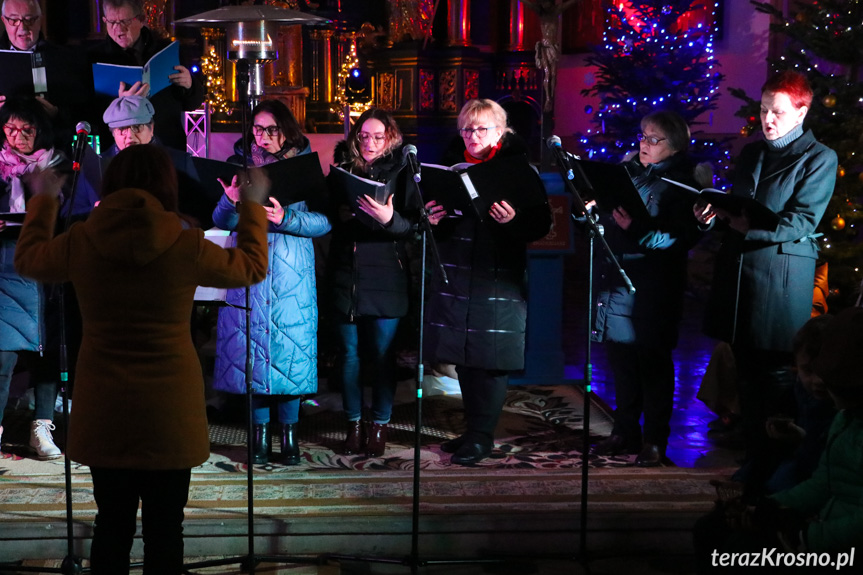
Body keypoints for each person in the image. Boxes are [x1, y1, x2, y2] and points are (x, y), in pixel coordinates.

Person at [13, 144, 270, 574]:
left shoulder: (82, 240)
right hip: (170, 406)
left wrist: (43, 199)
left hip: (104, 401)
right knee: (166, 529)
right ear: (165, 186)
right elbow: (251, 267)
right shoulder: (185, 242)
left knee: (110, 525)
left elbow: (27, 259)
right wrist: (252, 205)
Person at [696, 70, 837, 472]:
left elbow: (803, 221)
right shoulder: (753, 153)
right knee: (745, 374)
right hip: (740, 278)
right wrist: (712, 216)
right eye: (762, 110)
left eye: (777, 112)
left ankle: (771, 468)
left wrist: (749, 227)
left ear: (801, 112)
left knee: (774, 379)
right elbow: (737, 210)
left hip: (777, 283)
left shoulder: (819, 158)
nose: (767, 119)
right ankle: (753, 459)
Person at [423, 98, 552, 465]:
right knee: (464, 355)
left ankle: (482, 436)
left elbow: (540, 224)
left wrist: (512, 221)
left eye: (481, 128)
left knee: (490, 357)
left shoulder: (516, 169)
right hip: (457, 269)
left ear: (500, 130)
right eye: (466, 128)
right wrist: (433, 217)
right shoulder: (451, 165)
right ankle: (472, 428)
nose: (472, 135)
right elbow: (440, 213)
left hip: (497, 276)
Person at [693, 308, 863, 572]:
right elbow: (824, 481)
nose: (823, 385)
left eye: (834, 381)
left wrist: (805, 537)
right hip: (824, 528)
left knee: (738, 553)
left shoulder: (843, 414)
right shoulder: (846, 417)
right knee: (716, 534)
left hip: (837, 544)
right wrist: (768, 508)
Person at [211, 99, 331, 466]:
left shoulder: (305, 168)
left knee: (290, 353)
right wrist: (230, 202)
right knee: (254, 356)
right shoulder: (240, 168)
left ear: (287, 131)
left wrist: (285, 218)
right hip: (249, 268)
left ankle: (290, 437)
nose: (263, 137)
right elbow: (221, 220)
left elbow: (323, 222)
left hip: (291, 273)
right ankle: (260, 436)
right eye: (258, 130)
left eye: (271, 130)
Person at [589, 110, 704, 466]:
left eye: (655, 139)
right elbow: (609, 219)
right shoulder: (628, 173)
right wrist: (590, 213)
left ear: (675, 146)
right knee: (621, 362)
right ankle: (624, 431)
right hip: (618, 283)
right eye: (642, 136)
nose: (645, 144)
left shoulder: (685, 185)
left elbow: (676, 238)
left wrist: (635, 228)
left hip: (655, 287)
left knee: (653, 365)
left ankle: (655, 439)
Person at [327, 107, 415, 457]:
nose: (370, 142)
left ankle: (379, 424)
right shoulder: (342, 169)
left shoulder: (404, 171)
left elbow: (413, 227)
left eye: (378, 136)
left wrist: (389, 217)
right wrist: (341, 213)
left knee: (381, 356)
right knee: (348, 356)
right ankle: (354, 424)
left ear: (390, 137)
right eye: (364, 135)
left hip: (385, 274)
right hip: (346, 272)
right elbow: (326, 213)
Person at [0, 97, 69, 459]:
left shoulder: (57, 164)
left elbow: (72, 214)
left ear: (40, 130)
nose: (17, 137)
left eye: (26, 129)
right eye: (10, 129)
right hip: (6, 263)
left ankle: (41, 429)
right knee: (3, 355)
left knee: (46, 352)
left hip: (43, 264)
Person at [87, 0, 205, 151]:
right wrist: (120, 104)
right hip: (121, 151)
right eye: (111, 22)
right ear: (104, 20)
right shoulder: (94, 58)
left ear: (141, 19)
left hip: (167, 145)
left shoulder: (168, 51)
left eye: (125, 21)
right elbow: (88, 114)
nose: (118, 29)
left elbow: (193, 104)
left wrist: (190, 85)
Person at [100, 95, 213, 227]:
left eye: (137, 126)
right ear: (113, 133)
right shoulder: (99, 165)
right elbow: (73, 213)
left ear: (151, 128)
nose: (130, 135)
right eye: (121, 129)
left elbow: (199, 214)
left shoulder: (179, 162)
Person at [0, 0, 90, 147]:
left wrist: (57, 113)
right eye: (14, 20)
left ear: (40, 19)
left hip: (53, 148)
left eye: (29, 19)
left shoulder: (64, 59)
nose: (22, 27)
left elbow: (82, 113)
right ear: (4, 20)